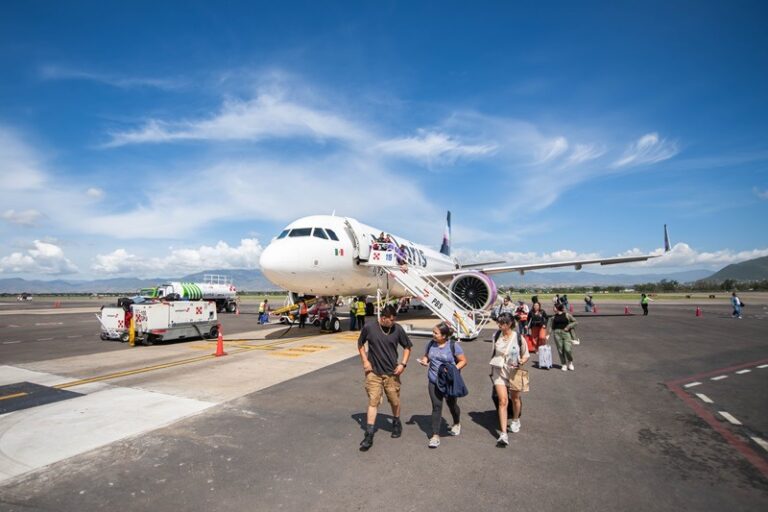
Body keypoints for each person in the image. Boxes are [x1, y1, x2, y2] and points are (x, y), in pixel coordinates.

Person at [357, 305, 413, 451]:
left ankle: (396, 421)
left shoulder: (397, 329)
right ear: (383, 318)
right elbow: (360, 344)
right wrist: (365, 361)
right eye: (391, 320)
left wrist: (403, 364)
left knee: (394, 401)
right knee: (373, 401)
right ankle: (369, 434)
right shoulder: (369, 327)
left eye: (394, 320)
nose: (393, 322)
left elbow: (407, 347)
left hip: (392, 373)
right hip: (373, 373)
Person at [416, 322, 467, 448]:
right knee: (436, 406)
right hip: (434, 381)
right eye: (433, 332)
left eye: (436, 333)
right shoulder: (431, 344)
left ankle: (456, 423)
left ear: (444, 336)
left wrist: (452, 370)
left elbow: (463, 361)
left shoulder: (453, 346)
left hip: (449, 382)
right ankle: (435, 436)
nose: (433, 334)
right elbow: (427, 356)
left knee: (452, 405)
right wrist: (424, 361)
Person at [489, 312, 530, 446]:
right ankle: (503, 434)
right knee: (502, 401)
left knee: (515, 398)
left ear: (509, 324)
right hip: (499, 371)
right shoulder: (496, 335)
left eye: (502, 323)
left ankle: (516, 419)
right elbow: (493, 353)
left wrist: (521, 361)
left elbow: (526, 355)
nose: (499, 325)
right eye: (498, 322)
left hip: (514, 372)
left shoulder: (518, 337)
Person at [549, 303, 577, 371]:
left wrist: (568, 327)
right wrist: (548, 334)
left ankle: (570, 362)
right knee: (560, 350)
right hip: (557, 334)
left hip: (566, 333)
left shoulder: (567, 315)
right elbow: (551, 327)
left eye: (554, 307)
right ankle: (563, 364)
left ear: (557, 308)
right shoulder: (553, 317)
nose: (553, 308)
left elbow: (575, 322)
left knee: (567, 349)